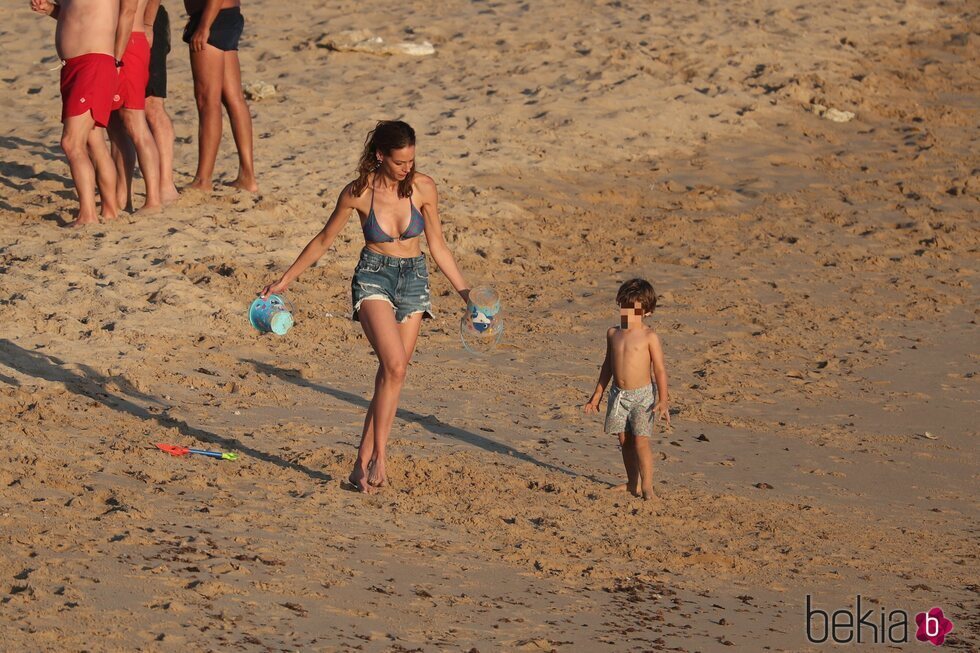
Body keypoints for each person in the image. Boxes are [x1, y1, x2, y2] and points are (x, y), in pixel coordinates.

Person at [260, 121, 470, 493]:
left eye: (412, 159)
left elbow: (438, 245)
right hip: (374, 277)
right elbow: (323, 240)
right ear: (380, 156)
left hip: (415, 279)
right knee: (394, 365)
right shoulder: (358, 193)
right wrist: (285, 280)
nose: (409, 168)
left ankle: (359, 464)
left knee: (393, 375)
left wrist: (466, 294)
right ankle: (380, 457)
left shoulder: (424, 187)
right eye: (401, 162)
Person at [30, 0, 126, 227]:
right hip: (77, 66)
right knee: (94, 141)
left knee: (71, 143)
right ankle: (109, 210)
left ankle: (88, 215)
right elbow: (77, 15)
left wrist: (117, 60)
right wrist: (51, 9)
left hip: (92, 63)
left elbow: (123, 16)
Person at [583, 279, 670, 500]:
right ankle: (633, 483)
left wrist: (663, 399)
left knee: (641, 440)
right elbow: (607, 366)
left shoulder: (650, 336)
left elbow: (659, 370)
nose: (628, 313)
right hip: (618, 395)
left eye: (634, 310)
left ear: (647, 312)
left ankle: (648, 486)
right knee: (624, 441)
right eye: (624, 307)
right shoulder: (613, 333)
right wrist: (597, 396)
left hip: (642, 396)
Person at [183, 0, 257, 192]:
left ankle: (203, 179)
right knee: (234, 98)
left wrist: (204, 25)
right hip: (227, 15)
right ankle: (247, 176)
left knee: (207, 100)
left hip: (212, 17)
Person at [114, 0, 180, 203]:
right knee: (119, 112)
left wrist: (149, 25)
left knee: (152, 105)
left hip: (143, 24)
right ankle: (123, 191)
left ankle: (165, 185)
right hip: (117, 26)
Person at [107, 0, 163, 213]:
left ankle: (153, 199)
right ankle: (123, 197)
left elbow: (128, 11)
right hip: (117, 43)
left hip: (127, 44)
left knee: (134, 122)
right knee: (115, 124)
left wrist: (117, 58)